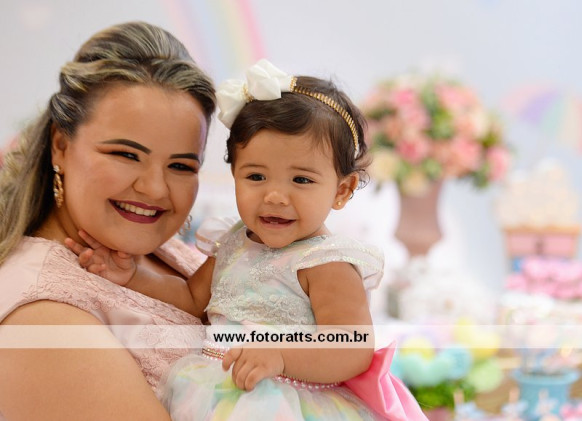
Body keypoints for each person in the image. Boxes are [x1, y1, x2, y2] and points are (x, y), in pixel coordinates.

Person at [68, 59, 427, 420]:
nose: (275, 196)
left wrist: (281, 356)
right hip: (215, 391)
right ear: (235, 174)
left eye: (301, 180)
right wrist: (133, 276)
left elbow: (351, 347)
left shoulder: (325, 262)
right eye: (256, 177)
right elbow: (193, 298)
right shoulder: (234, 242)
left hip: (285, 402)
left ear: (342, 190)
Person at [0, 21, 216, 420]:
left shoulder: (147, 247)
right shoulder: (45, 319)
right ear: (60, 146)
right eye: (126, 155)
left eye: (181, 166)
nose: (155, 189)